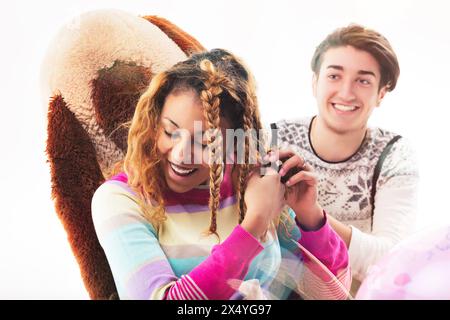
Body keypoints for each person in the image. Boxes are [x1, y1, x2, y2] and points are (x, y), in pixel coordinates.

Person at [91, 49, 350, 300]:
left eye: (205, 144)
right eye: (170, 132)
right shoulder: (119, 199)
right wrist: (255, 223)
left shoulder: (252, 180)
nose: (181, 154)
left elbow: (332, 294)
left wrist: (309, 215)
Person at [275, 24, 419, 293]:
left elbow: (390, 260)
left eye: (363, 80)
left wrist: (315, 217)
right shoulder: (274, 138)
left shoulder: (395, 156)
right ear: (315, 82)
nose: (346, 93)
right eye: (334, 76)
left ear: (381, 94)